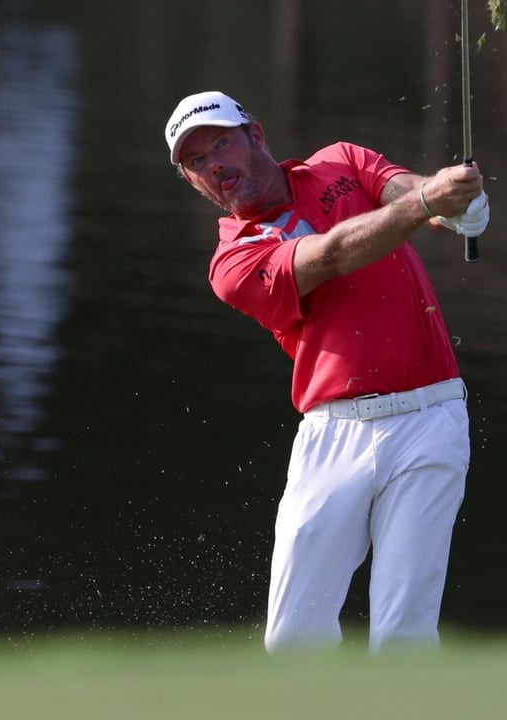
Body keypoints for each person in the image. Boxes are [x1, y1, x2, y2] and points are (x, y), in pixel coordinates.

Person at [162, 91, 489, 653]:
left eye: (222, 142)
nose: (214, 163)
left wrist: (459, 205)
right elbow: (333, 255)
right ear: (193, 183)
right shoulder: (232, 264)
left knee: (404, 632)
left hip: (430, 414)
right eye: (196, 161)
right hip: (333, 433)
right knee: (293, 636)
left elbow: (411, 192)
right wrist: (426, 205)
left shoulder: (341, 161)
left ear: (256, 136)